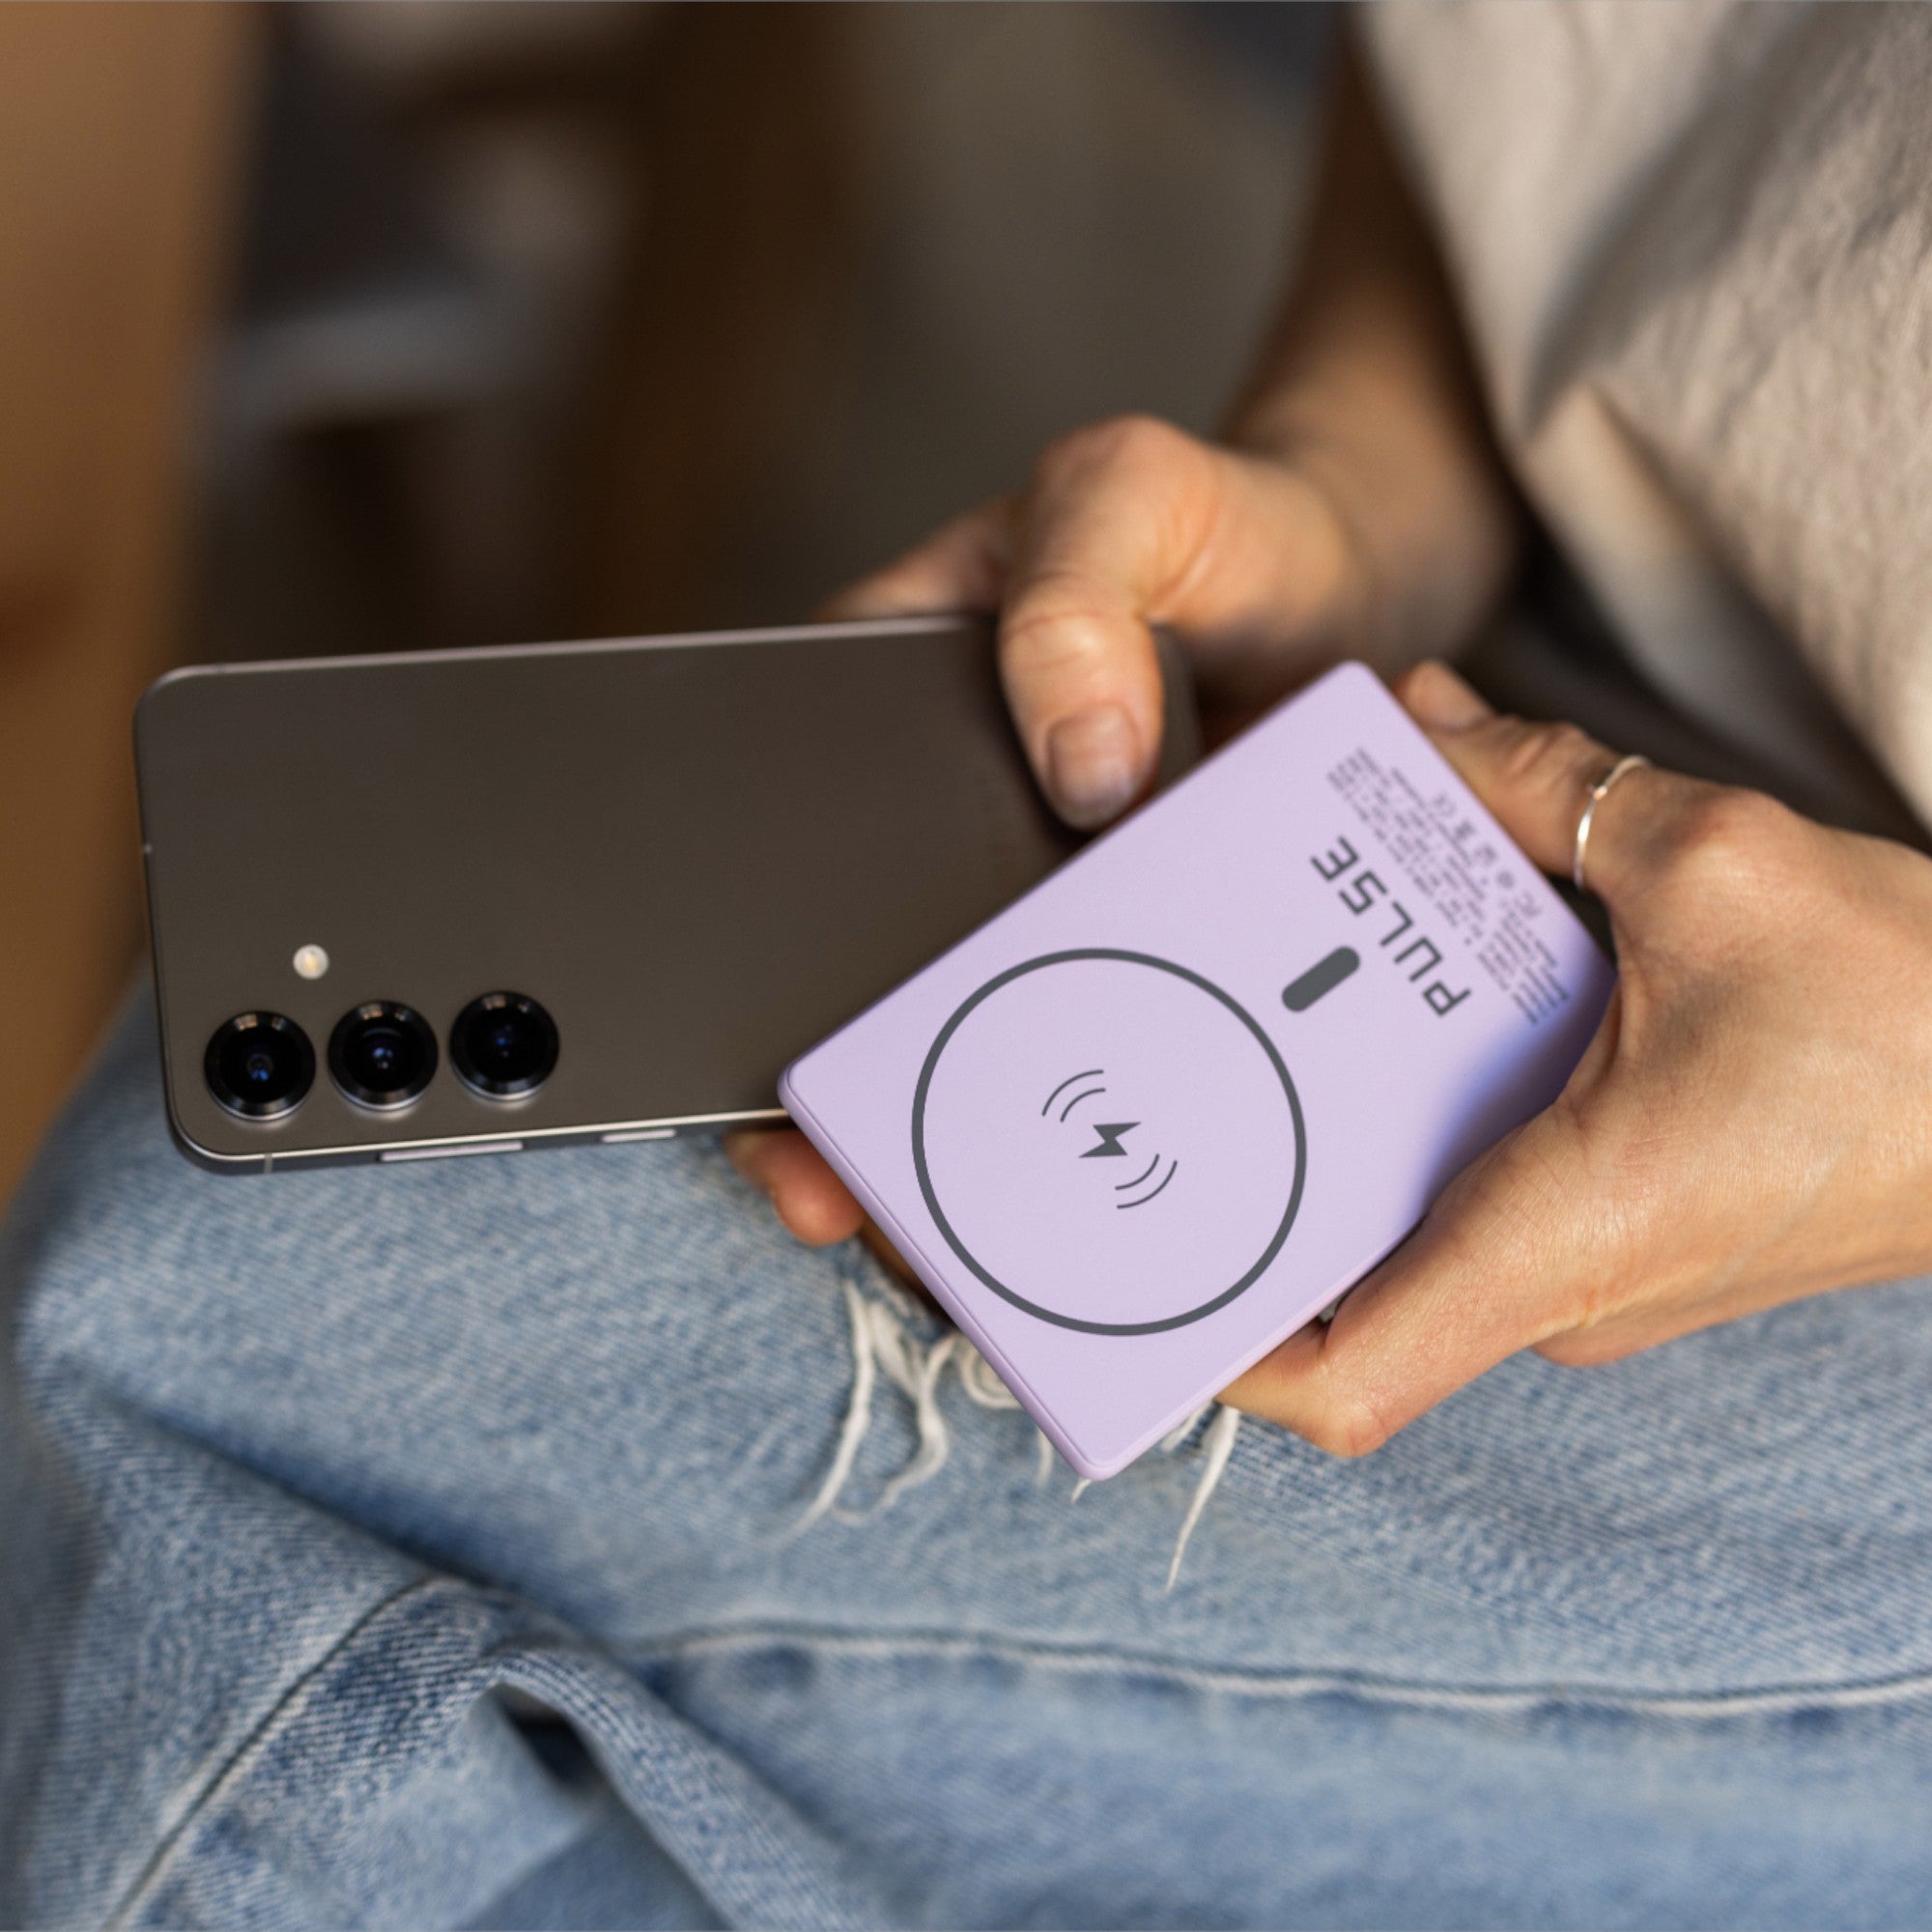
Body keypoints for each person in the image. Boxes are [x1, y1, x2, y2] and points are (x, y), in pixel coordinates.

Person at [8, 9, 1932, 1926]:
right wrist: (1360, 489)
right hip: (1504, 713)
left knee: (230, 1333)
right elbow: (1565, 78)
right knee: (263, 1229)